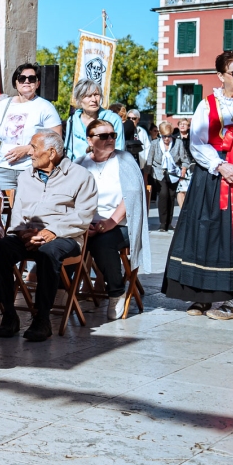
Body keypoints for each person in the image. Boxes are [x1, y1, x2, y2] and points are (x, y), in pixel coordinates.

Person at [163, 51, 233, 321]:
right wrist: (221, 166)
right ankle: (203, 295)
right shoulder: (207, 104)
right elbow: (198, 142)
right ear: (221, 76)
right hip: (213, 176)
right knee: (207, 233)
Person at [0, 131, 97, 341]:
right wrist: (22, 233)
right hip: (29, 235)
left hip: (65, 236)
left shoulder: (81, 176)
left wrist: (53, 231)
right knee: (0, 249)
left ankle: (42, 319)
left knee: (49, 253)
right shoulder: (25, 175)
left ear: (51, 152)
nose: (29, 152)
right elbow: (18, 210)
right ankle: (9, 315)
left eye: (34, 147)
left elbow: (83, 216)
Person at [79, 119, 153, 319]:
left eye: (113, 135)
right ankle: (60, 290)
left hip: (122, 225)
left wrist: (108, 223)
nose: (110, 139)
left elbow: (132, 196)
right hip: (86, 224)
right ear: (90, 139)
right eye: (103, 136)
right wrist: (83, 225)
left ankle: (116, 292)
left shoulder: (124, 159)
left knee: (101, 243)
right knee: (62, 242)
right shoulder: (80, 163)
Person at [0, 62, 63, 191]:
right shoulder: (3, 105)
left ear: (37, 84)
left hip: (32, 169)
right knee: (4, 209)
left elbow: (57, 139)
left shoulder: (46, 107)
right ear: (15, 83)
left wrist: (27, 149)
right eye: (22, 79)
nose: (26, 82)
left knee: (29, 209)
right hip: (3, 170)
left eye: (31, 79)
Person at [62, 78, 125, 163]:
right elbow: (69, 150)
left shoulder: (113, 119)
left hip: (106, 171)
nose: (94, 100)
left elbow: (119, 151)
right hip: (78, 171)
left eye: (96, 95)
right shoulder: (72, 120)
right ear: (78, 100)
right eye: (88, 96)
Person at [147, 121, 190, 232]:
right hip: (159, 173)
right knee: (163, 194)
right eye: (164, 136)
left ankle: (169, 223)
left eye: (169, 136)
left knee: (171, 196)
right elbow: (149, 160)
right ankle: (162, 223)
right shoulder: (155, 144)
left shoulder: (178, 143)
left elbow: (185, 160)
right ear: (160, 134)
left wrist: (183, 170)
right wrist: (147, 176)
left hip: (174, 173)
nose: (166, 139)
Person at [176, 117, 192, 207]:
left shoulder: (192, 137)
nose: (182, 125)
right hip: (179, 167)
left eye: (184, 124)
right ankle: (182, 212)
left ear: (188, 126)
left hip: (192, 166)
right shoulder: (174, 138)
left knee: (189, 190)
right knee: (180, 190)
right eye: (180, 124)